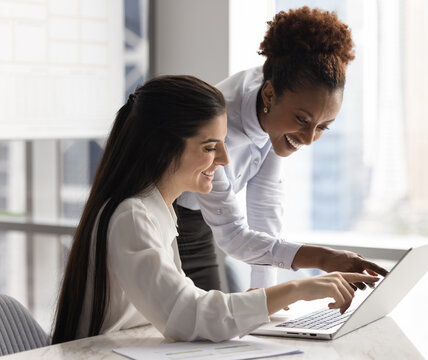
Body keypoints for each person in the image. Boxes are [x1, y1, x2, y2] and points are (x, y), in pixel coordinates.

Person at [51, 75, 380, 344]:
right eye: (210, 147)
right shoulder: (134, 216)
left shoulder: (156, 211)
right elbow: (187, 315)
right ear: (163, 148)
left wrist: (274, 292)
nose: (224, 160)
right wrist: (297, 288)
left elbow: (186, 306)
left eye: (223, 144)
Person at [176, 6, 388, 291]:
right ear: (269, 94)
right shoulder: (220, 123)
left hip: (199, 221)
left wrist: (263, 290)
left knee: (217, 323)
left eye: (323, 126)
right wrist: (323, 258)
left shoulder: (277, 94)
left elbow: (265, 201)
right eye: (302, 120)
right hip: (171, 218)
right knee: (196, 325)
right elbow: (232, 234)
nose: (310, 138)